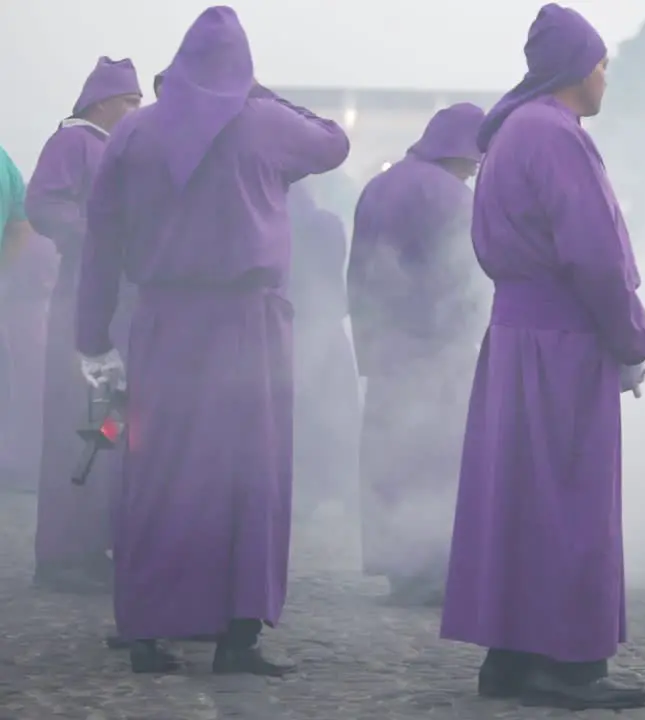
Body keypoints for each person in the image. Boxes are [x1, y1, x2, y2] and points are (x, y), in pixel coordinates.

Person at [74, 6, 349, 675]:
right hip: (247, 328)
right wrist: (257, 92)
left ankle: (146, 631)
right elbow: (333, 141)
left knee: (159, 474)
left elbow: (101, 241)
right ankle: (236, 635)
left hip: (163, 325)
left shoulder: (133, 132)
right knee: (246, 477)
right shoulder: (265, 122)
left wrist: (92, 338)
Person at [439, 4, 645, 710]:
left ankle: (510, 655)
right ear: (576, 69)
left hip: (517, 337)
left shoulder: (510, 133)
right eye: (602, 64)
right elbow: (593, 254)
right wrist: (631, 338)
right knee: (569, 506)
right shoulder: (556, 136)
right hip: (563, 342)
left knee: (521, 504)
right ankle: (563, 666)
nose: (606, 78)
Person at [349, 102, 487, 607]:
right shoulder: (452, 196)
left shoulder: (378, 186)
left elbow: (359, 269)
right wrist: (472, 332)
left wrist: (367, 342)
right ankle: (434, 563)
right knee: (438, 454)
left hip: (386, 344)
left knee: (389, 451)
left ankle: (398, 564)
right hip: (436, 344)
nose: (477, 166)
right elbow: (465, 277)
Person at [26, 56, 142, 595]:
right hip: (80, 305)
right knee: (77, 422)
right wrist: (97, 244)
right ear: (101, 103)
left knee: (109, 424)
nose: (135, 111)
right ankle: (60, 553)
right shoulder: (73, 143)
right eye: (129, 102)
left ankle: (92, 545)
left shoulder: (113, 147)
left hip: (113, 305)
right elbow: (44, 203)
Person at [288, 182, 359, 518]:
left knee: (301, 410)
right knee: (332, 411)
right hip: (324, 325)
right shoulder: (328, 224)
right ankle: (335, 487)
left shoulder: (272, 220)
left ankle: (303, 488)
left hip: (287, 324)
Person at [0, 233, 57, 493]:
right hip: (23, 306)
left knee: (29, 385)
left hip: (27, 306)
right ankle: (20, 463)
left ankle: (22, 463)